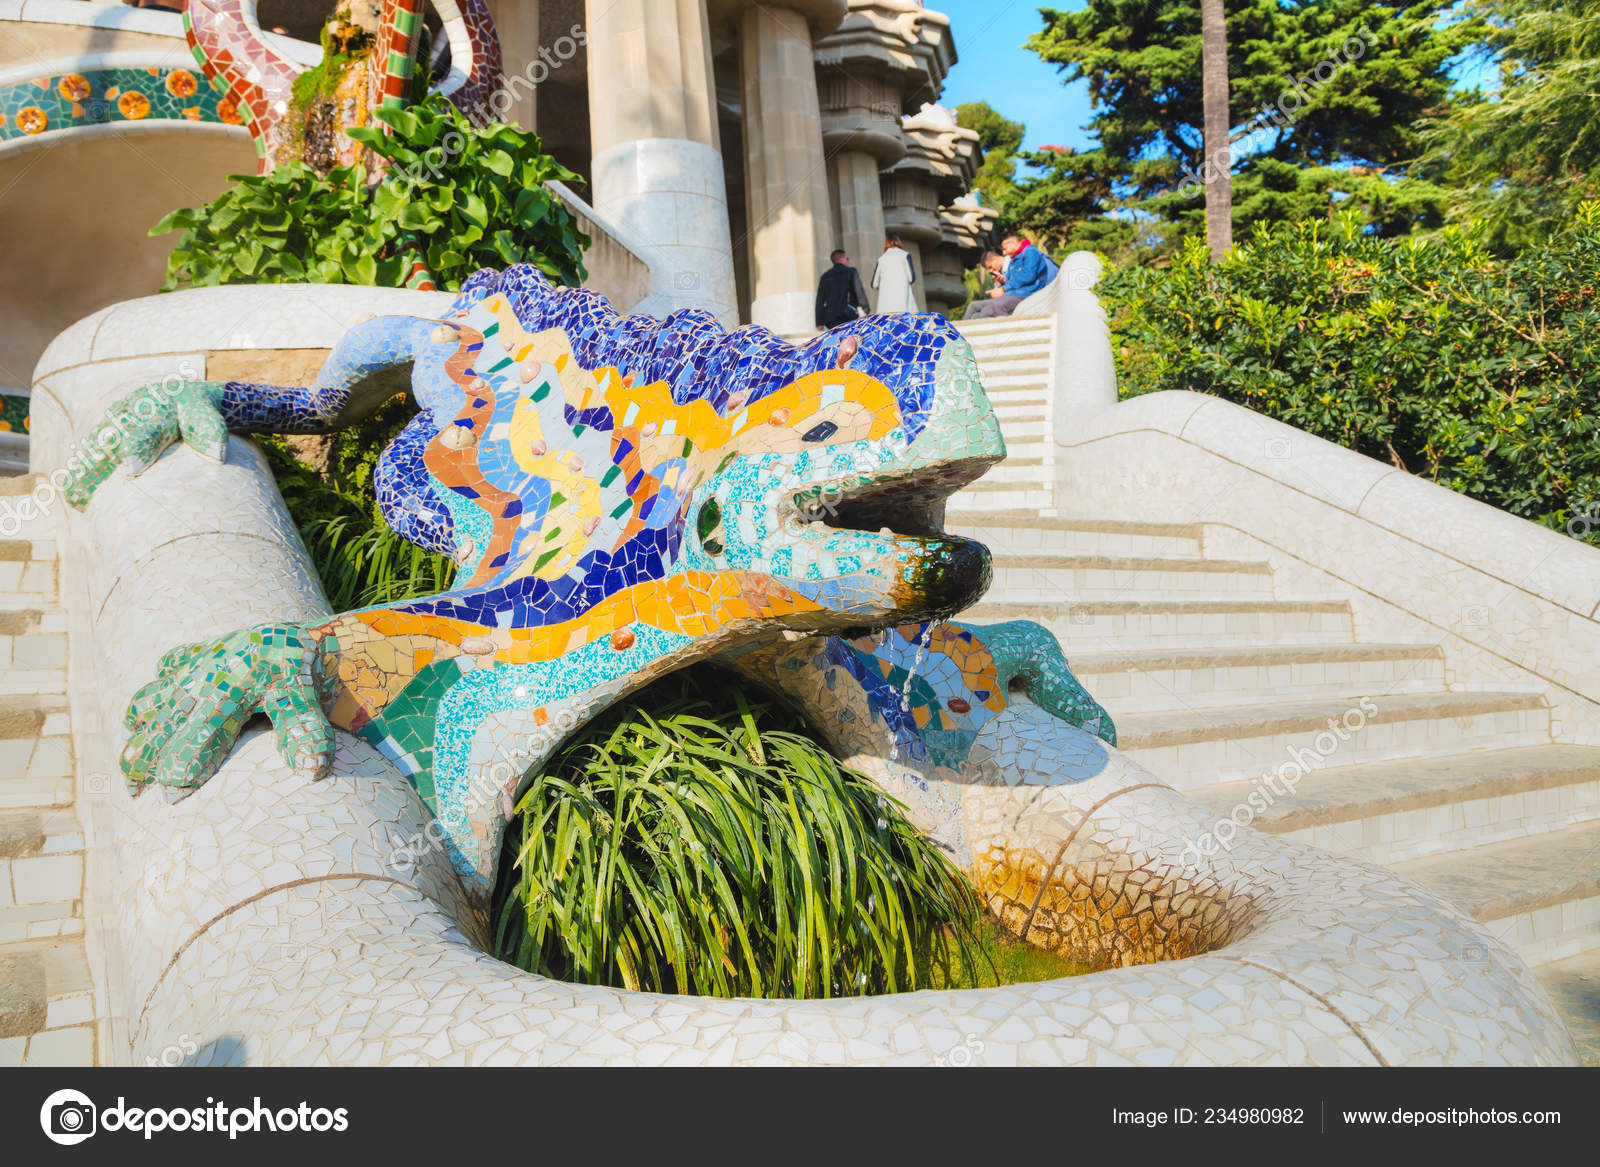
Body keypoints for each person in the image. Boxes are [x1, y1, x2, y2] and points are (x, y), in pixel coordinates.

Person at [964, 233, 1059, 319]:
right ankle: (956, 337)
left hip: (1027, 292)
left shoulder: (1030, 251)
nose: (1004, 253)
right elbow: (1012, 281)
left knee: (988, 311)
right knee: (976, 314)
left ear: (1013, 243)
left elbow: (1028, 276)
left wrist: (1004, 289)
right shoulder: (1014, 260)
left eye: (1004, 249)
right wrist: (1000, 283)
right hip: (1015, 293)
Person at [814, 248, 870, 330]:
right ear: (842, 258)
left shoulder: (825, 276)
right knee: (848, 339)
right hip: (848, 315)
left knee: (837, 340)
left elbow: (820, 300)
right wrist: (866, 309)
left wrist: (819, 322)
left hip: (831, 319)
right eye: (847, 258)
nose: (848, 261)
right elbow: (859, 292)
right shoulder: (851, 272)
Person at [871, 233, 918, 314]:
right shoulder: (905, 255)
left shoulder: (881, 259)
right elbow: (911, 278)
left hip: (885, 308)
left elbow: (874, 284)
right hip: (904, 305)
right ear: (898, 241)